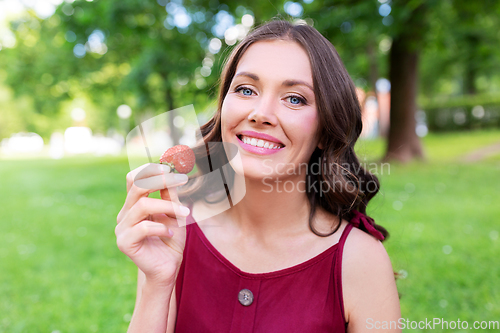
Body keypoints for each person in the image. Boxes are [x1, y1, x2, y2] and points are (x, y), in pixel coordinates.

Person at [116, 20, 401, 333]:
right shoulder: (176, 232)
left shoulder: (361, 260)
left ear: (325, 128)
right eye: (246, 90)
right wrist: (157, 283)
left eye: (295, 98)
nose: (260, 113)